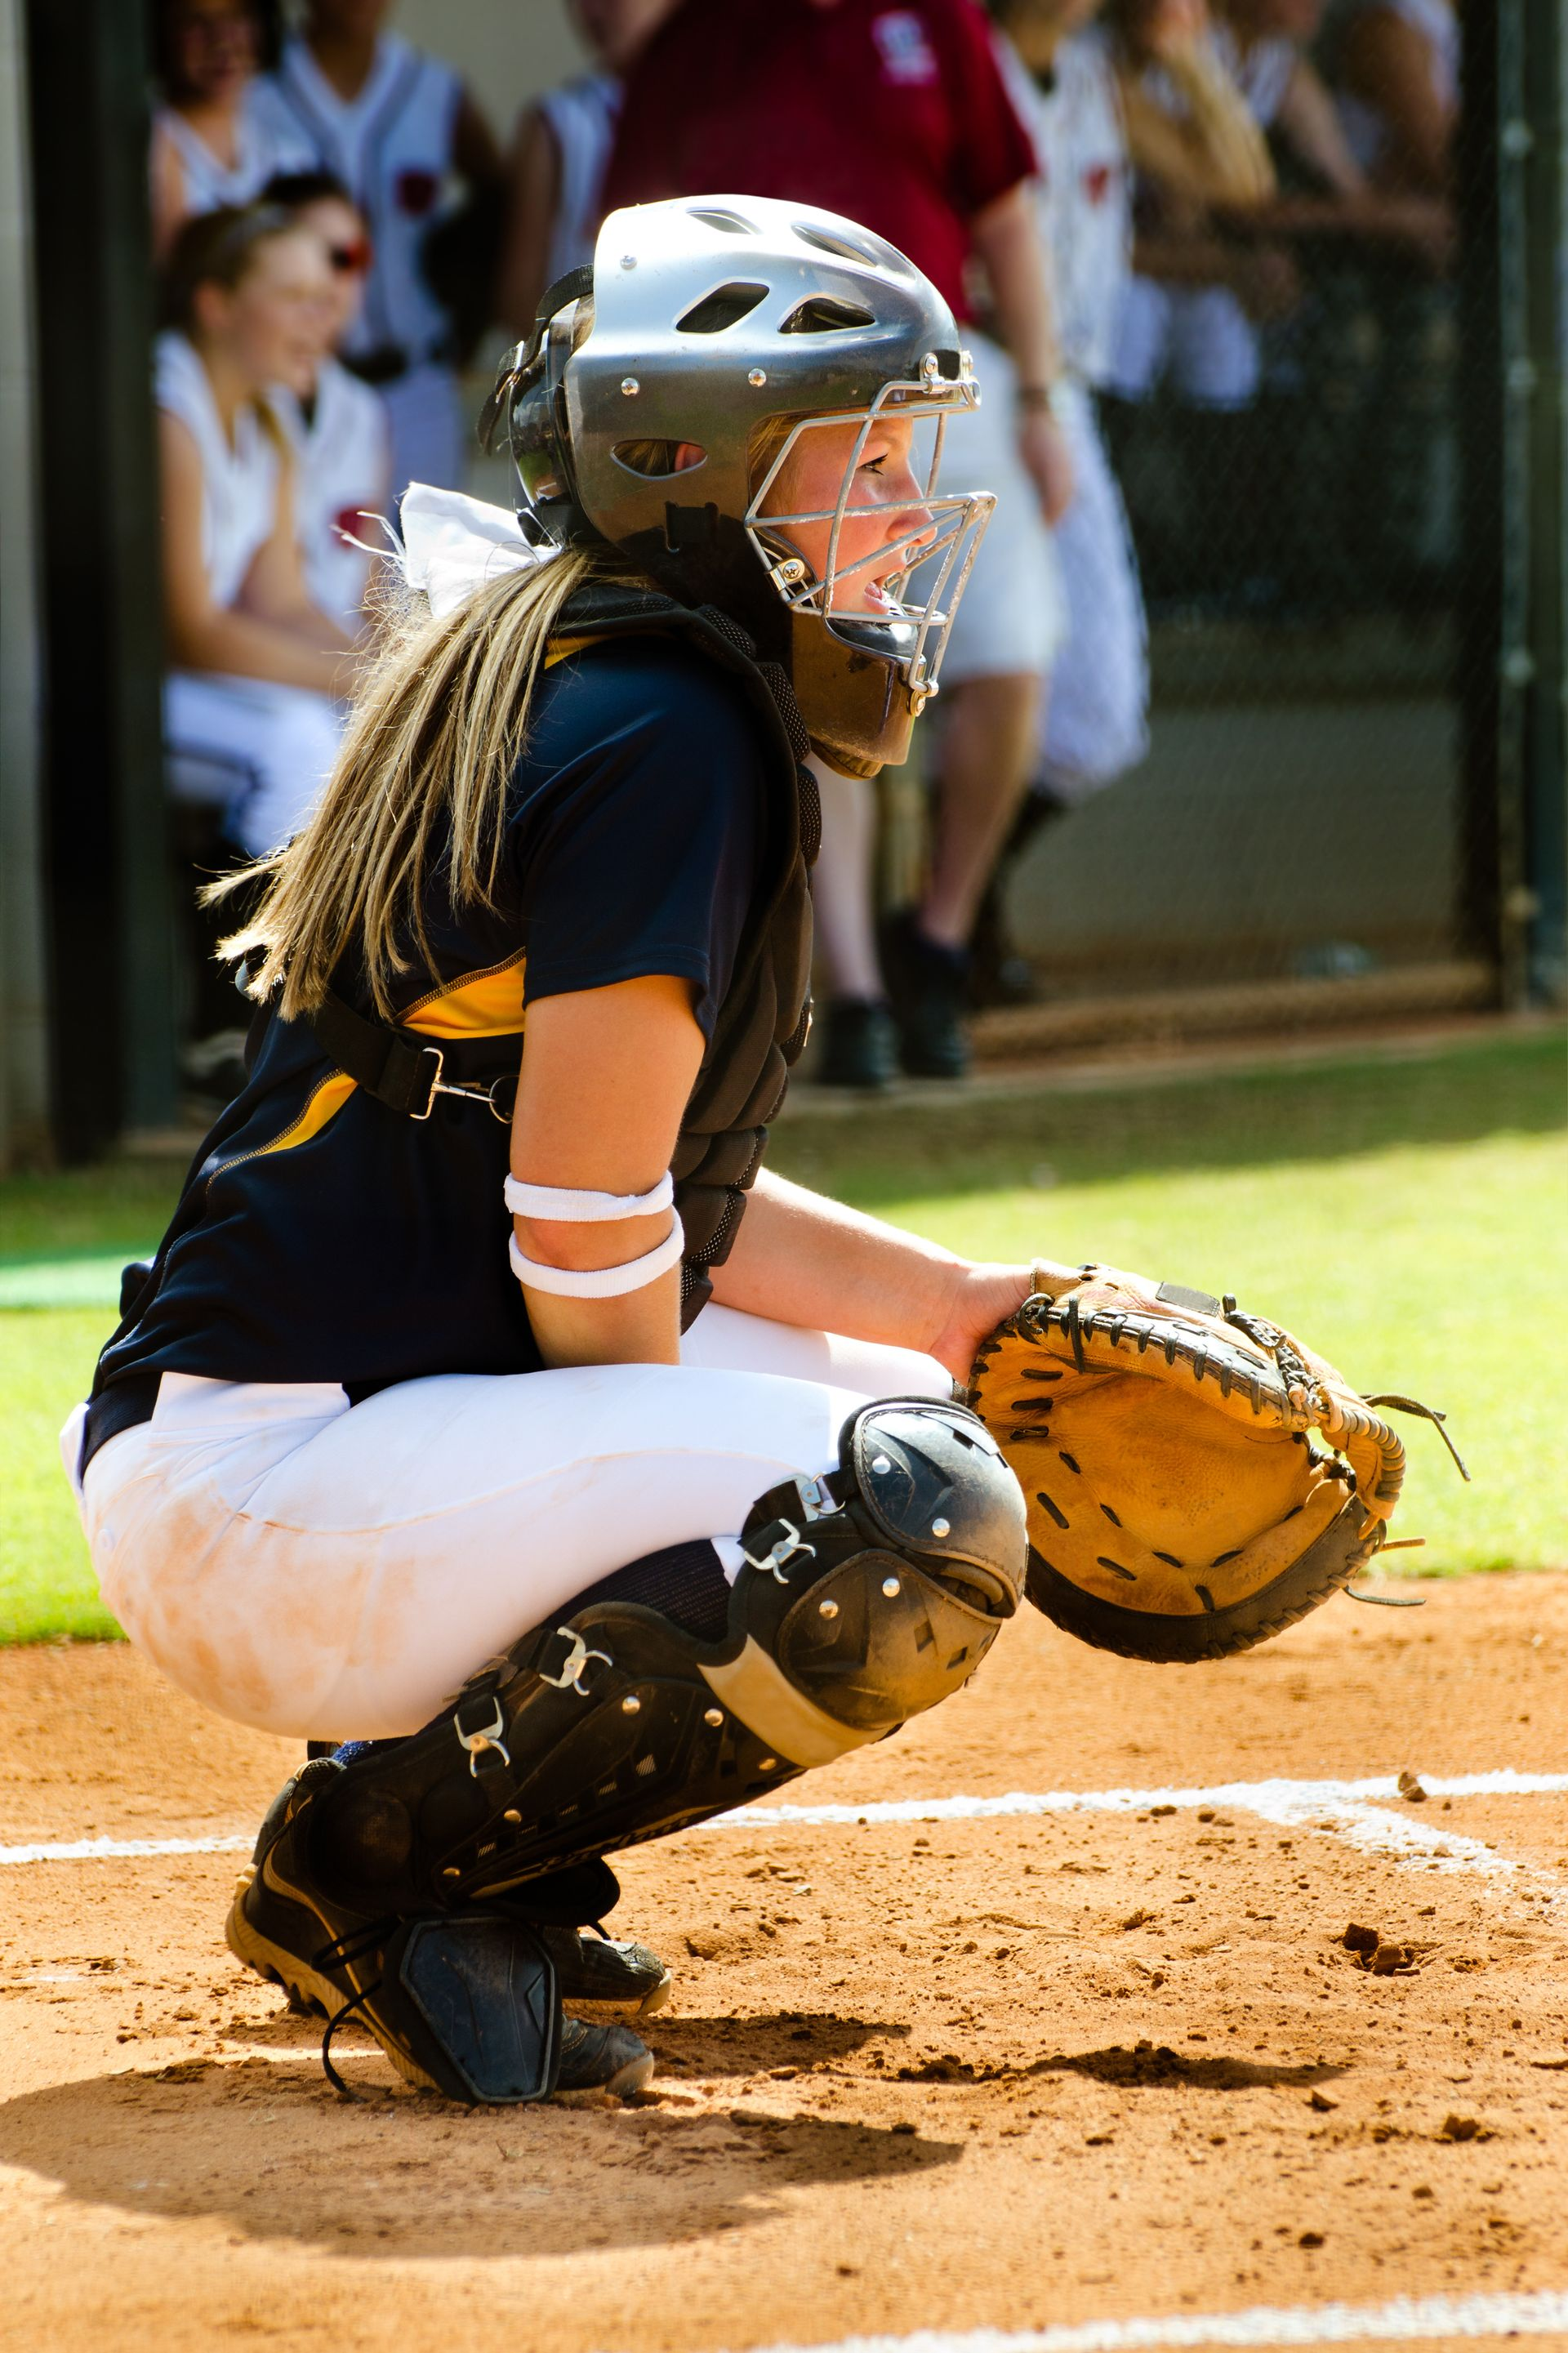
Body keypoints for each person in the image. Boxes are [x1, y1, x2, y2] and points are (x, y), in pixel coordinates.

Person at [62, 196, 1063, 2109]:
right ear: (706, 474)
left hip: (285, 1446)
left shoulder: (623, 672)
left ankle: (433, 1831)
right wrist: (682, 1516)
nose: (913, 515)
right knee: (894, 1511)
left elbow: (653, 1192)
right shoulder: (673, 721)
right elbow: (592, 1221)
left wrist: (960, 1309)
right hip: (282, 1489)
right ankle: (390, 1866)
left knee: (899, 1407)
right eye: (868, 463)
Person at [602, 0, 1076, 1086]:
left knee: (1013, 661)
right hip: (785, 421)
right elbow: (631, 250)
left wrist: (1045, 395)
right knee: (833, 683)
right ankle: (855, 989)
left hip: (944, 380)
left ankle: (939, 937)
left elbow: (1005, 209)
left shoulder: (934, 19)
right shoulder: (689, 42)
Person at [158, 205, 361, 866]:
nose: (320, 319)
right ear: (216, 306)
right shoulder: (168, 409)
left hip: (189, 686)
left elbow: (281, 601)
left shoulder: (265, 415)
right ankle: (249, 963)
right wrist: (354, 679)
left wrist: (390, 677)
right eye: (295, 298)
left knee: (355, 725)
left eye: (325, 300)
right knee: (296, 739)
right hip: (106, 685)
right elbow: (191, 632)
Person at [250, 0, 504, 497]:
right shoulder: (260, 97)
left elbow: (497, 199)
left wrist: (468, 323)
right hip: (298, 388)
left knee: (430, 566)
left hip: (415, 378)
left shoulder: (434, 89)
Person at [496, 0, 677, 340]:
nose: (593, 11)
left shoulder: (729, 108)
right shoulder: (559, 122)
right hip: (583, 375)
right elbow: (519, 302)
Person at [264, 170, 393, 629]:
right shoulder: (231, 392)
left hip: (339, 685)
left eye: (350, 257)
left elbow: (369, 593)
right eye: (317, 256)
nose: (330, 279)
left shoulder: (364, 410)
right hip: (248, 687)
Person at [149, 0, 312, 257]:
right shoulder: (148, 147)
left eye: (237, 17)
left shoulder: (291, 157)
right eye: (195, 20)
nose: (221, 40)